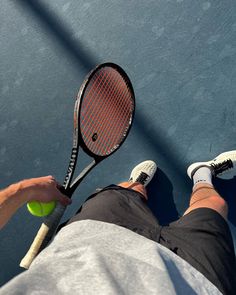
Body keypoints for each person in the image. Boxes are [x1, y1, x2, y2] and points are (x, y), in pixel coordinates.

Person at [0, 151, 236, 294]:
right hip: (194, 281)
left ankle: (138, 183)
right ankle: (202, 174)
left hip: (90, 243)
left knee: (125, 192)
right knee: (213, 206)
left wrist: (25, 189)